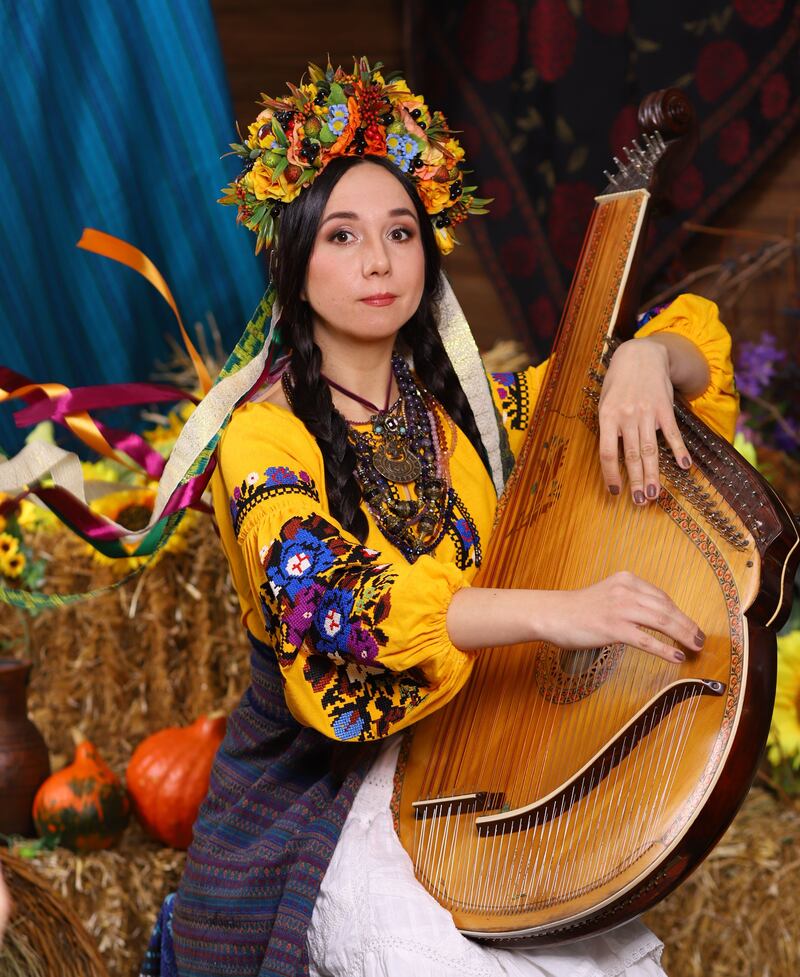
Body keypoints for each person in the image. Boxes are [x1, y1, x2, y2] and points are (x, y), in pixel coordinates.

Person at [133, 58, 736, 977]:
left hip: (488, 758)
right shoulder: (264, 438)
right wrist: (554, 609)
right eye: (342, 235)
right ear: (291, 264)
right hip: (322, 805)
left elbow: (677, 360)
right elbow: (332, 601)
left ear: (428, 252)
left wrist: (647, 357)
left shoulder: (481, 422)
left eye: (400, 231)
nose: (377, 259)